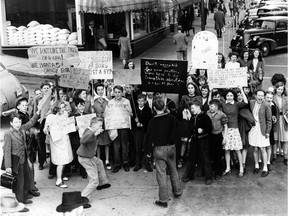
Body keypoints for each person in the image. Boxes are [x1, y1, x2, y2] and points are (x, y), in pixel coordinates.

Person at [145, 99, 182, 208]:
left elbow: (148, 138)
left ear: (154, 108)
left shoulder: (152, 121)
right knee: (173, 170)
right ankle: (177, 191)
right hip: (171, 148)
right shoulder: (171, 118)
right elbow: (178, 129)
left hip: (159, 149)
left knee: (161, 174)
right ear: (164, 107)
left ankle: (163, 199)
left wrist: (148, 152)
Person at [3, 108, 41, 207]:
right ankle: (19, 203)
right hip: (15, 162)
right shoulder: (8, 134)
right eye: (16, 122)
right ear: (11, 123)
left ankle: (24, 197)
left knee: (26, 179)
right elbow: (7, 151)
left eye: (19, 122)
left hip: (23, 159)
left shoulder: (22, 129)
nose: (18, 124)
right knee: (19, 183)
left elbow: (31, 122)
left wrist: (38, 112)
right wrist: (8, 166)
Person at [77, 117, 111, 198]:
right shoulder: (90, 132)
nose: (101, 128)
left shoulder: (89, 130)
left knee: (99, 162)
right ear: (94, 125)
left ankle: (102, 183)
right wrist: (95, 134)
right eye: (100, 126)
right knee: (94, 181)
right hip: (85, 158)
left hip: (88, 156)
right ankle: (83, 198)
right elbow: (82, 141)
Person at [182, 100, 213, 185]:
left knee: (205, 158)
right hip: (194, 139)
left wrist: (202, 130)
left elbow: (210, 128)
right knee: (191, 157)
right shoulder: (192, 117)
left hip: (203, 140)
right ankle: (189, 175)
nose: (191, 110)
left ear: (198, 107)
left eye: (193, 108)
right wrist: (188, 137)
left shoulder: (205, 117)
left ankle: (208, 177)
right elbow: (190, 128)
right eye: (191, 108)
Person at [44, 102, 73, 188]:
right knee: (60, 160)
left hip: (65, 139)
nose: (63, 109)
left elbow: (67, 125)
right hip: (57, 141)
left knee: (65, 159)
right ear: (56, 108)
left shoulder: (65, 114)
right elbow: (45, 130)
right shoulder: (50, 117)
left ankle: (62, 174)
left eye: (64, 107)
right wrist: (48, 130)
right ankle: (59, 180)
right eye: (61, 107)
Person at [104, 85, 133, 173]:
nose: (117, 94)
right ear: (113, 93)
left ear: (122, 93)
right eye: (115, 92)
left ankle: (125, 163)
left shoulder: (126, 101)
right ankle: (117, 164)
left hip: (123, 126)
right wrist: (105, 116)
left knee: (124, 145)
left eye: (119, 92)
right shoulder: (110, 102)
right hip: (114, 126)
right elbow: (106, 114)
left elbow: (131, 113)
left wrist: (128, 112)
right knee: (116, 146)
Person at [15, 97, 40, 197]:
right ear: (18, 106)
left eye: (26, 105)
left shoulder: (25, 114)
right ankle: (30, 188)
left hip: (29, 144)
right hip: (25, 146)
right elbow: (28, 126)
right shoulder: (19, 117)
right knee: (29, 167)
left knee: (30, 166)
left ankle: (30, 185)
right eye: (23, 105)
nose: (25, 107)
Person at [221, 88, 248, 178]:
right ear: (225, 97)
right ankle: (228, 168)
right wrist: (210, 91)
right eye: (228, 96)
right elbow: (212, 103)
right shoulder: (223, 104)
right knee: (227, 150)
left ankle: (241, 168)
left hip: (234, 129)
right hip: (226, 129)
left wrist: (241, 89)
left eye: (231, 96)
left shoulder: (236, 104)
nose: (229, 97)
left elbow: (246, 102)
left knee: (237, 150)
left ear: (234, 97)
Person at [178, 82, 201, 168]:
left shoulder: (198, 98)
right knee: (184, 141)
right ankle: (181, 158)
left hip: (195, 120)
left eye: (192, 88)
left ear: (195, 88)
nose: (190, 89)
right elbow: (180, 108)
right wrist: (184, 112)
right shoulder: (184, 97)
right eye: (189, 88)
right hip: (185, 121)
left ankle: (193, 159)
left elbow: (199, 108)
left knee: (193, 141)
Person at [249, 90, 272, 177]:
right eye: (259, 95)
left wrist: (268, 132)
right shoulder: (252, 103)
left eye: (262, 96)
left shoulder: (266, 105)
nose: (260, 97)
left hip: (262, 129)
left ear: (264, 97)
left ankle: (265, 167)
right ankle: (256, 165)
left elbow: (269, 120)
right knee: (255, 148)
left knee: (262, 149)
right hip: (254, 128)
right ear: (255, 96)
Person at [207, 99, 228, 180]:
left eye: (211, 106)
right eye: (209, 106)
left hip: (218, 136)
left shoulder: (222, 115)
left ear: (216, 107)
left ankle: (218, 173)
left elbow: (225, 126)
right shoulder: (208, 113)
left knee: (218, 155)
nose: (210, 107)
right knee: (210, 154)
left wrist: (225, 138)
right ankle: (211, 171)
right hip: (210, 135)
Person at [132, 94, 153, 172]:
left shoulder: (148, 109)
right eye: (139, 101)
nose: (140, 103)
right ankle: (138, 164)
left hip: (145, 131)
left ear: (145, 101)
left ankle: (147, 164)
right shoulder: (135, 109)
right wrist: (135, 122)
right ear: (137, 101)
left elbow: (149, 121)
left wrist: (142, 124)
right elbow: (131, 121)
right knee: (138, 147)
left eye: (142, 101)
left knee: (146, 147)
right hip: (137, 132)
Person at [93, 83, 111, 170]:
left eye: (101, 89)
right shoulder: (94, 101)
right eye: (98, 90)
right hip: (97, 123)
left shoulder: (107, 100)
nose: (100, 91)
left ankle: (107, 160)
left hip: (106, 122)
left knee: (106, 142)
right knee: (98, 142)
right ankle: (99, 160)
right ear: (96, 91)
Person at [69, 99, 88, 178]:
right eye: (79, 106)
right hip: (76, 138)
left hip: (85, 137)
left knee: (84, 154)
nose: (81, 108)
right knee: (78, 154)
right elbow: (69, 128)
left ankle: (83, 171)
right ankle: (77, 167)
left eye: (83, 105)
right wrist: (74, 128)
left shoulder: (87, 115)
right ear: (76, 107)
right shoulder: (72, 116)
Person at [273, 83, 288, 165]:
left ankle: (286, 157)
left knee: (285, 140)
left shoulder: (286, 98)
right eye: (279, 89)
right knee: (275, 139)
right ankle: (274, 156)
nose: (280, 91)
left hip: (284, 120)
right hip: (276, 120)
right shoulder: (272, 97)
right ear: (276, 89)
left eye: (282, 89)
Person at [265, 91, 278, 167]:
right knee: (262, 146)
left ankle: (268, 161)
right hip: (263, 127)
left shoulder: (273, 106)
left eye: (271, 98)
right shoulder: (262, 105)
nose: (269, 99)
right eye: (268, 97)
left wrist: (274, 118)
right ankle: (260, 161)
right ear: (265, 97)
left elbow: (274, 115)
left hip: (270, 127)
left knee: (269, 144)